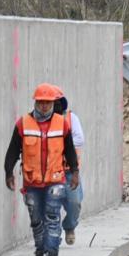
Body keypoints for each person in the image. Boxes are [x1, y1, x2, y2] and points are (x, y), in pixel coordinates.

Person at [4, 83, 79, 256]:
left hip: (55, 179)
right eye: (41, 102)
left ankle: (52, 254)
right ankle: (40, 251)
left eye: (48, 102)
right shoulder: (23, 124)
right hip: (32, 181)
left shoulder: (62, 124)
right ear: (35, 102)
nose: (44, 106)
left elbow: (69, 150)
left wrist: (75, 172)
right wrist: (8, 172)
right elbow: (13, 151)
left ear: (53, 103)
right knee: (36, 219)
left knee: (52, 216)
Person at [53, 93, 85, 245]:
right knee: (51, 206)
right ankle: (54, 237)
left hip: (69, 171)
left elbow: (79, 139)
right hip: (49, 172)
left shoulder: (71, 118)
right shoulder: (42, 121)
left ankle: (69, 226)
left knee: (75, 202)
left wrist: (59, 143)